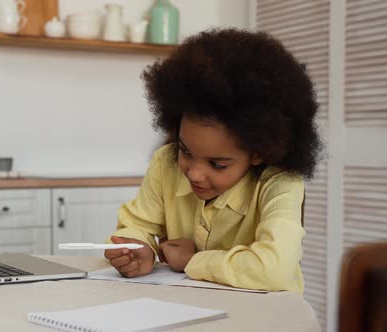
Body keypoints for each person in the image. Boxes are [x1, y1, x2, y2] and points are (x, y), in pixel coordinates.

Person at [104, 28, 322, 295]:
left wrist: (193, 261)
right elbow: (136, 225)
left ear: (258, 153)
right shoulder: (166, 162)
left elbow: (274, 270)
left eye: (217, 164)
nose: (194, 174)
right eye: (185, 151)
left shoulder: (281, 182)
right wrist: (137, 248)